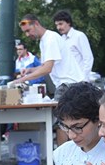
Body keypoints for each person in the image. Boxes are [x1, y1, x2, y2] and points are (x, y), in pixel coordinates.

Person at [13, 14, 85, 146]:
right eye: (25, 32)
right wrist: (30, 70)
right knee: (66, 123)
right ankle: (66, 158)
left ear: (36, 24)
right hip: (68, 84)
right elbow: (45, 65)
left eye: (28, 30)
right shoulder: (45, 40)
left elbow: (47, 68)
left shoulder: (50, 38)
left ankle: (62, 160)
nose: (28, 35)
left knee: (62, 124)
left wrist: (22, 79)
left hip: (68, 84)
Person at [53, 10, 94, 81]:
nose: (58, 28)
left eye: (60, 24)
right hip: (68, 81)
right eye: (56, 25)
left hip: (80, 81)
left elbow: (88, 58)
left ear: (68, 22)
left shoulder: (79, 36)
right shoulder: (61, 39)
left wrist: (83, 79)